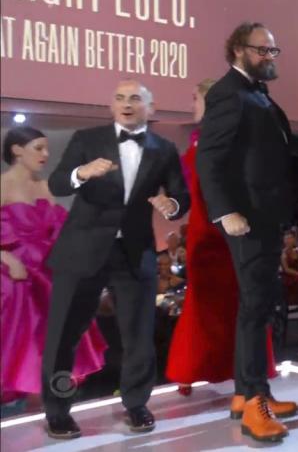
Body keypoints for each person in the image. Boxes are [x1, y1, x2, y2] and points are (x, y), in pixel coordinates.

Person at [41, 80, 190, 439]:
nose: (126, 104)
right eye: (120, 98)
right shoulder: (86, 139)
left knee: (139, 335)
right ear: (112, 106)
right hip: (82, 250)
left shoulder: (164, 149)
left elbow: (180, 195)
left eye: (135, 98)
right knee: (63, 336)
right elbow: (58, 182)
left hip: (134, 252)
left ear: (150, 108)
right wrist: (81, 173)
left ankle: (136, 404)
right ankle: (58, 411)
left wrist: (172, 207)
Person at [196, 22, 298, 443]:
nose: (270, 58)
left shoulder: (256, 93)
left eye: (274, 51)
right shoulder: (228, 93)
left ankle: (248, 393)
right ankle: (255, 405)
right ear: (238, 49)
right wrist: (225, 211)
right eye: (263, 51)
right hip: (247, 219)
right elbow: (210, 158)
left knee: (257, 306)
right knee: (256, 308)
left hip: (264, 218)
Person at [166, 78, 279, 404]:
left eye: (197, 99)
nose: (193, 105)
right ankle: (192, 370)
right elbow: (183, 195)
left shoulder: (234, 141)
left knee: (245, 306)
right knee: (203, 308)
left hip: (236, 232)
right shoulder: (194, 145)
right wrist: (171, 206)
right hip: (205, 239)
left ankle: (248, 380)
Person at [1, 128, 107, 415]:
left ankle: (53, 405)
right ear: (16, 150)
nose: (46, 155)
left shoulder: (47, 187)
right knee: (18, 333)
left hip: (50, 271)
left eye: (47, 149)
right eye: (38, 148)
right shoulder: (2, 186)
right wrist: (7, 259)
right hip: (17, 275)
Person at [280, 229, 298, 306]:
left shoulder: (297, 251)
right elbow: (286, 269)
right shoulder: (283, 253)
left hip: (297, 275)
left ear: (294, 240)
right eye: (286, 239)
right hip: (288, 278)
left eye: (290, 238)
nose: (288, 240)